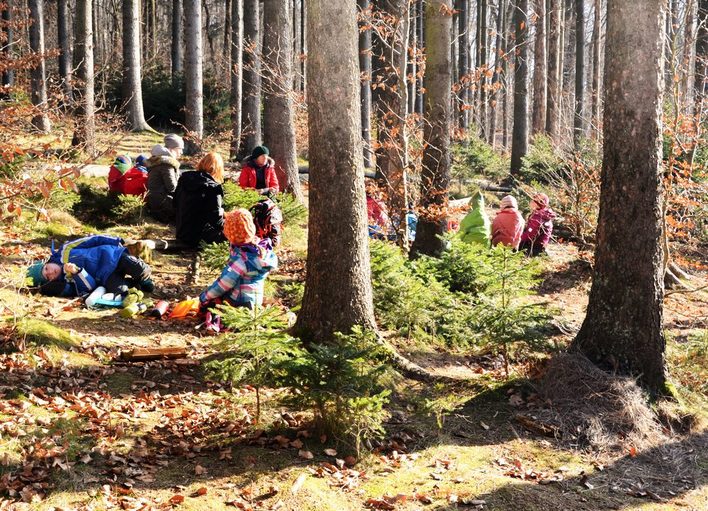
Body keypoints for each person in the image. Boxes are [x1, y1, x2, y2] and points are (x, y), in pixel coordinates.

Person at [199, 208, 277, 312]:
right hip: (255, 300)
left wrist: (204, 297)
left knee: (211, 304)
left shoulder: (242, 259)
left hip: (239, 303)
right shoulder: (260, 248)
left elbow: (224, 283)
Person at [26, 235, 153, 298]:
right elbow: (89, 287)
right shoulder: (67, 280)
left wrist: (116, 241)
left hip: (113, 255)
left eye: (46, 269)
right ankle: (136, 284)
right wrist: (77, 273)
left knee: (138, 268)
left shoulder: (65, 250)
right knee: (120, 292)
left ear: (46, 263)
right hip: (106, 276)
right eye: (48, 277)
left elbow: (92, 240)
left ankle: (145, 279)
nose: (51, 273)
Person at [174, 152, 227, 247]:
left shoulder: (184, 179)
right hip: (200, 237)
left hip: (181, 232)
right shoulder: (213, 188)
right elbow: (216, 221)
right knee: (234, 235)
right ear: (218, 169)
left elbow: (174, 203)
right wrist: (229, 223)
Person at [146, 134, 184, 223]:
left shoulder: (160, 161)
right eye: (179, 149)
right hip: (162, 203)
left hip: (154, 200)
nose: (181, 152)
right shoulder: (166, 164)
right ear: (171, 149)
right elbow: (172, 187)